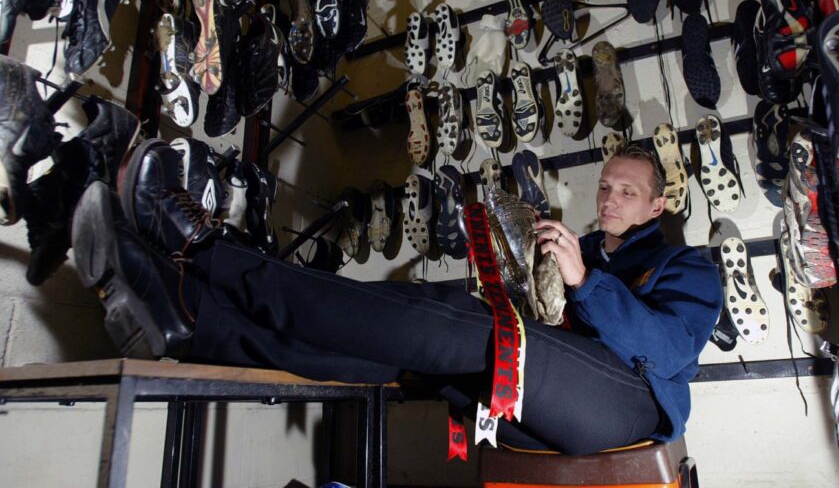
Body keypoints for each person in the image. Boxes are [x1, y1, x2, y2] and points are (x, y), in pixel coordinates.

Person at [71, 139, 723, 456]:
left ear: (658, 205)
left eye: (627, 192)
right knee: (406, 345)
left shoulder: (686, 265)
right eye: (605, 186)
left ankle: (207, 253)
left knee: (473, 330)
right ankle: (196, 322)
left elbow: (668, 350)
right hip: (549, 388)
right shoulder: (579, 248)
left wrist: (585, 282)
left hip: (629, 406)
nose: (609, 198)